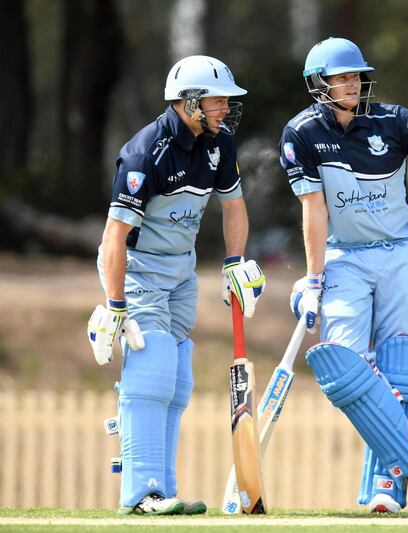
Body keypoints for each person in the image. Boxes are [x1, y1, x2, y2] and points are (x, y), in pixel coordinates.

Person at [279, 37, 408, 513]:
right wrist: (313, 278)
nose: (352, 84)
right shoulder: (300, 134)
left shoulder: (394, 120)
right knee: (343, 369)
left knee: (402, 370)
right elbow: (313, 209)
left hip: (402, 256)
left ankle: (386, 487)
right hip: (344, 256)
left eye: (356, 76)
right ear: (318, 84)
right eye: (341, 77)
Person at [87, 55, 265, 516]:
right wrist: (115, 302)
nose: (226, 107)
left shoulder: (219, 142)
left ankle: (162, 491)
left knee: (178, 378)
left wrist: (233, 261)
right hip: (141, 268)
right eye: (217, 99)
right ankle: (139, 494)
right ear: (189, 102)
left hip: (182, 269)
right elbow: (114, 236)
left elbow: (234, 206)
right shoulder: (145, 151)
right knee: (153, 369)